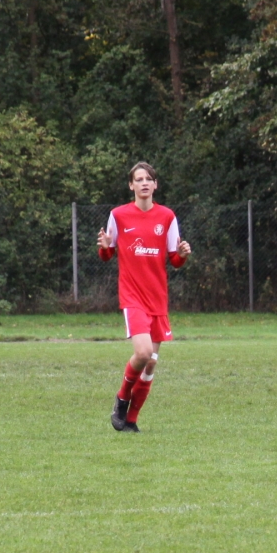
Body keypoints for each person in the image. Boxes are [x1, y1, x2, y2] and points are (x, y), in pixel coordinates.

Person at [97, 161, 191, 431]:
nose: (144, 183)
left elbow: (174, 260)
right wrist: (105, 247)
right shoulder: (118, 215)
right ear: (131, 185)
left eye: (148, 179)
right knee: (143, 352)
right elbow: (107, 255)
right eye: (139, 179)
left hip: (157, 298)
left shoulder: (167, 217)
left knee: (150, 365)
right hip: (133, 296)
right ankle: (121, 399)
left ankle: (131, 421)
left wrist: (182, 255)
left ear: (155, 184)